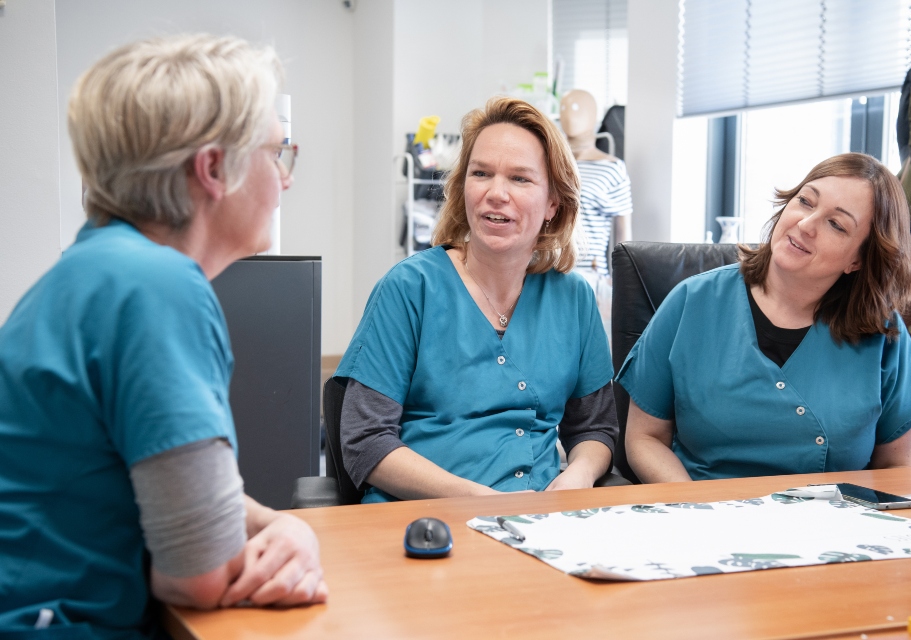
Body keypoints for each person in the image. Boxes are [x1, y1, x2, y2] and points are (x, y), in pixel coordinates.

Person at [0, 34, 327, 638]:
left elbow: (182, 500)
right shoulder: (157, 288)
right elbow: (198, 576)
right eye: (275, 154)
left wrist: (287, 528)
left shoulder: (94, 272)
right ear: (212, 170)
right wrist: (285, 540)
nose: (283, 180)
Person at [336, 97, 618, 503]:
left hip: (536, 523)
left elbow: (595, 428)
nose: (496, 193)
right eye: (481, 173)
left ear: (553, 204)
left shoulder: (573, 300)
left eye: (520, 179)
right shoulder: (409, 289)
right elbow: (365, 439)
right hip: (425, 522)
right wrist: (476, 498)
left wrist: (579, 475)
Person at [618, 153, 911, 483]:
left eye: (836, 224)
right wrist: (692, 507)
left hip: (829, 523)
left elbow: (896, 466)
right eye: (805, 201)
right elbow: (644, 438)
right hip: (704, 514)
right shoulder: (692, 302)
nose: (805, 224)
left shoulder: (884, 335)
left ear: (858, 260)